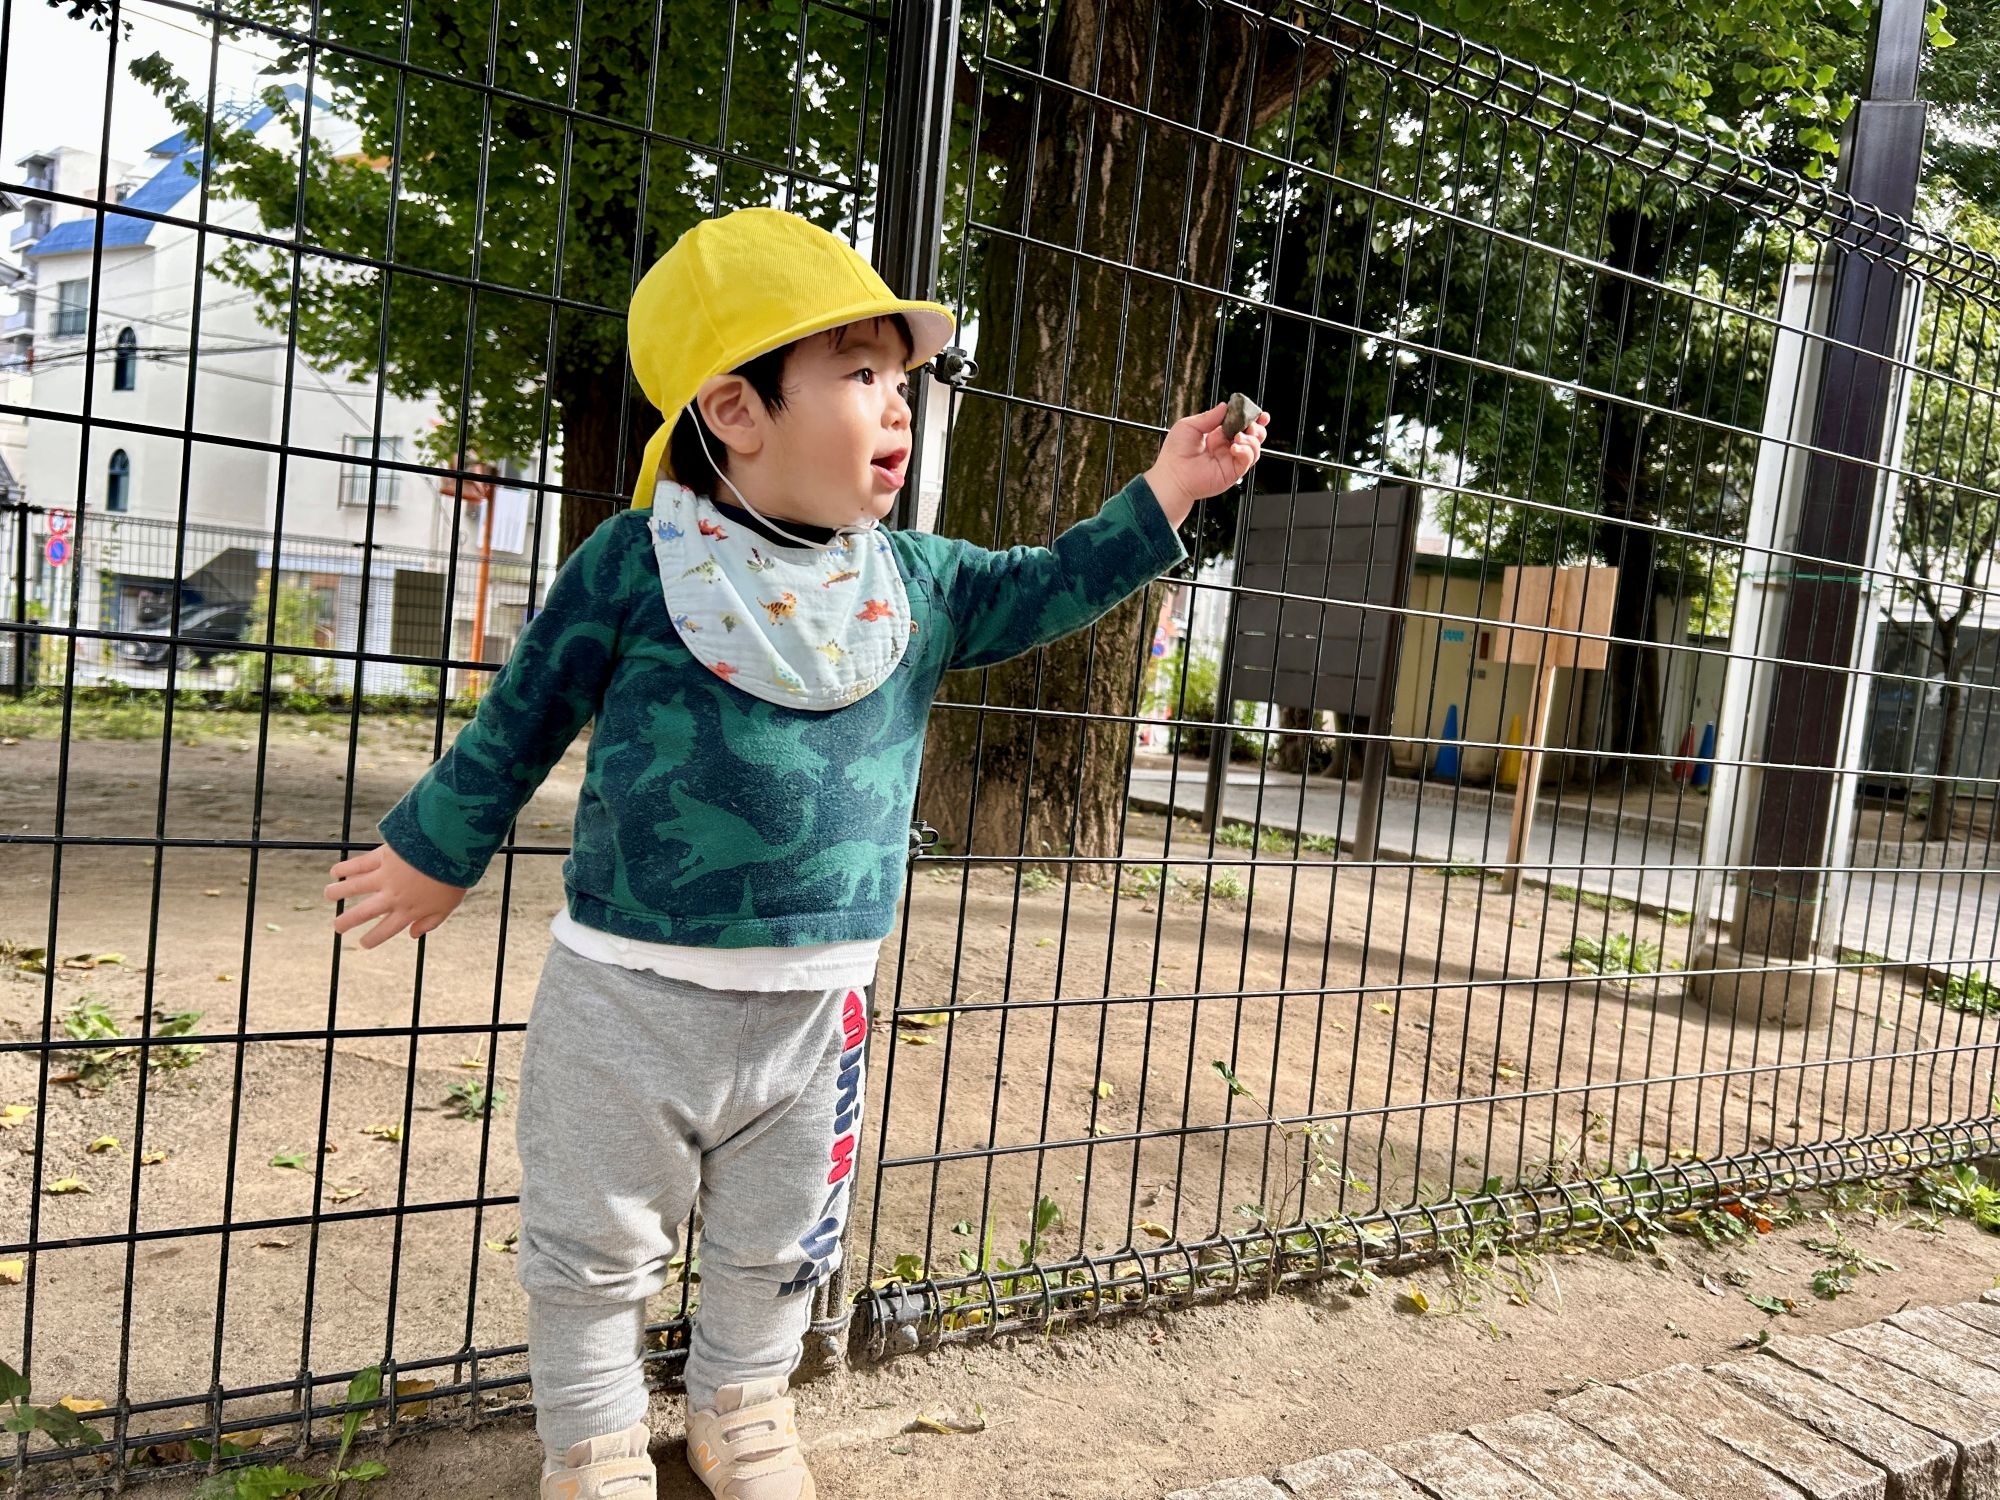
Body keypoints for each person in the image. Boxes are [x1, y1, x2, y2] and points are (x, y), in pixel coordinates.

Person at [323, 206, 1269, 1500]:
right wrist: (439, 844)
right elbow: (526, 709)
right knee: (595, 1236)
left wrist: (1169, 490)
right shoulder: (639, 562)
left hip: (819, 1009)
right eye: (862, 375)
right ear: (738, 411)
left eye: (903, 377)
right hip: (627, 996)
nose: (901, 408)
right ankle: (593, 1435)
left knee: (779, 1237)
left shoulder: (920, 582)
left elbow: (1052, 581)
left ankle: (743, 1405)